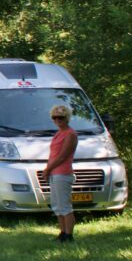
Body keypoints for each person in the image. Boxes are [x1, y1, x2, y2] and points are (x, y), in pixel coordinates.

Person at [45, 104, 78, 243]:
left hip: (62, 173)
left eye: (61, 117)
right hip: (54, 172)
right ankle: (62, 232)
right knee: (56, 205)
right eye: (55, 117)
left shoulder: (70, 134)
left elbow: (63, 156)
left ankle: (69, 235)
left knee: (64, 206)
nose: (58, 120)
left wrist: (47, 169)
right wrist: (49, 169)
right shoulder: (59, 133)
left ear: (67, 118)